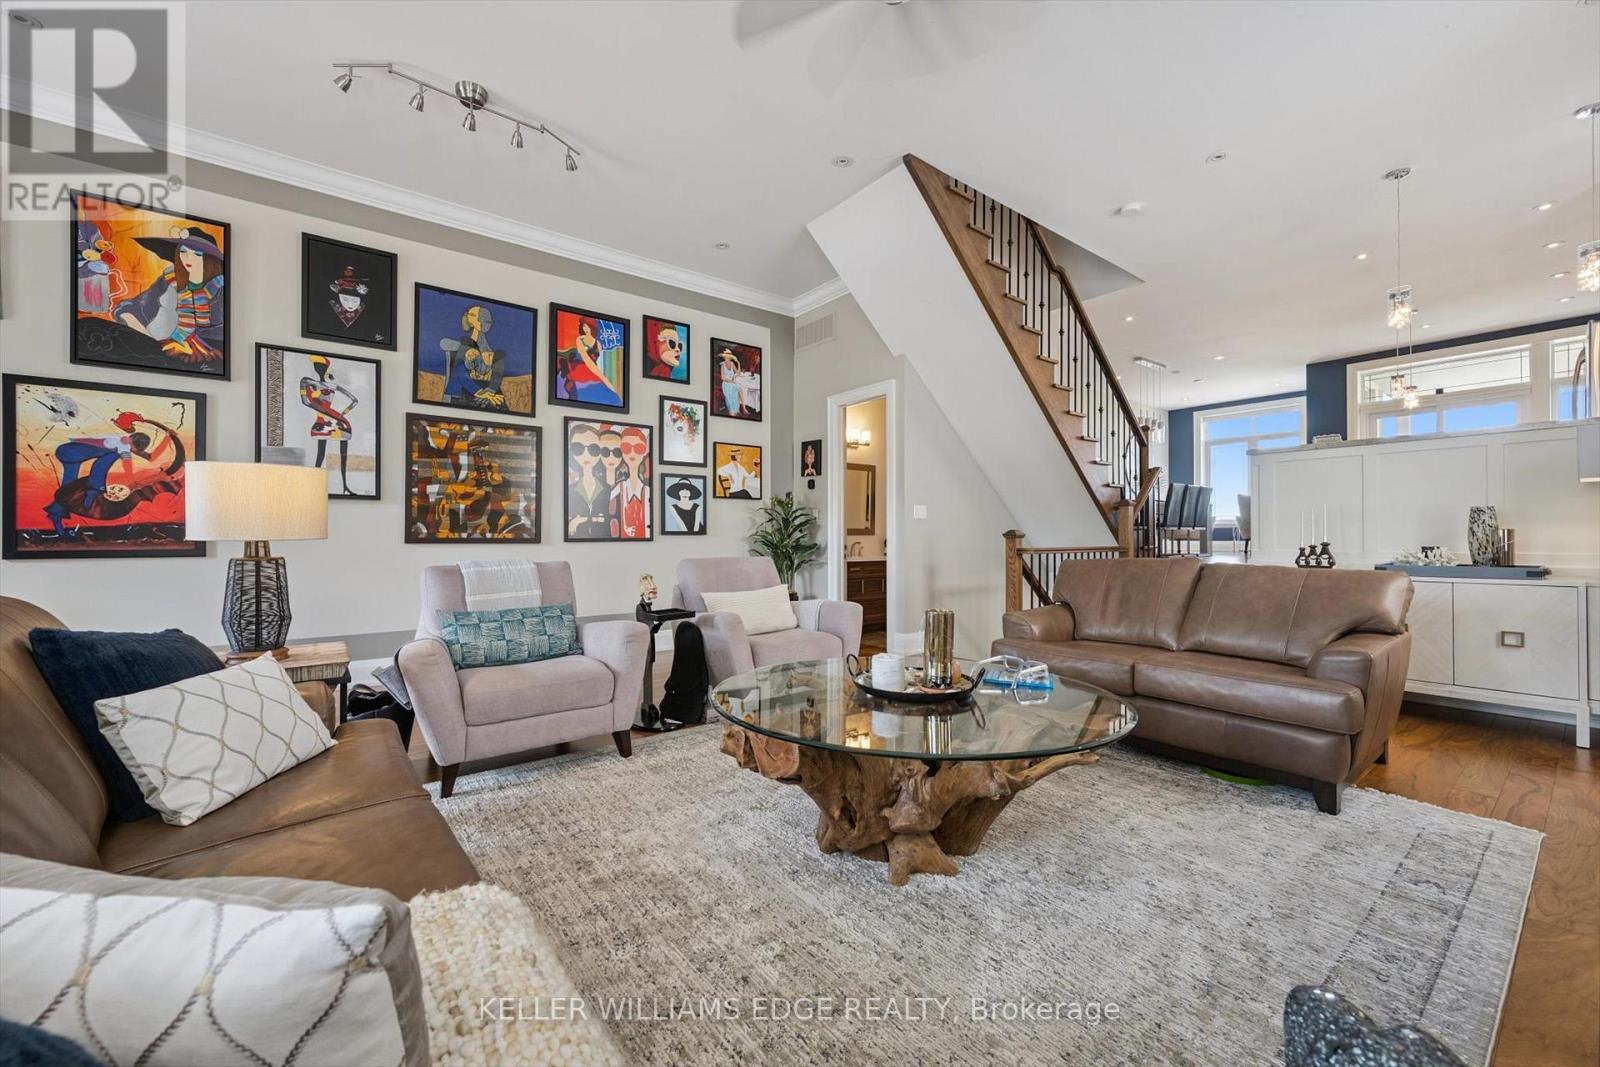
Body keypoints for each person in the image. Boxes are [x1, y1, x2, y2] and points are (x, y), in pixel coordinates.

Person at [44, 411, 173, 536]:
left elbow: (151, 457)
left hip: (67, 453)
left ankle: (55, 516)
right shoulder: (121, 444)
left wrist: (168, 438)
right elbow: (123, 465)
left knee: (67, 490)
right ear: (132, 442)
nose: (134, 452)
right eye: (134, 450)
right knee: (108, 458)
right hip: (69, 452)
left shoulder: (126, 443)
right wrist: (132, 482)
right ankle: (93, 490)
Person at [111, 226, 225, 365]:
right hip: (155, 344)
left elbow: (220, 334)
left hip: (196, 352)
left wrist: (187, 340)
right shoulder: (169, 279)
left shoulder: (220, 289)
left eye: (197, 254)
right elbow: (139, 304)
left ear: (209, 259)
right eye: (183, 252)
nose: (188, 258)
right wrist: (129, 317)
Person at [299, 355, 359, 495]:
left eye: (321, 366)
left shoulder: (332, 385)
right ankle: (314, 487)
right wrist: (331, 414)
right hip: (322, 422)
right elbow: (305, 401)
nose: (318, 368)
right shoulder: (306, 381)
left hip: (335, 422)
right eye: (316, 365)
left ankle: (345, 486)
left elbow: (354, 400)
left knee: (343, 454)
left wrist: (342, 414)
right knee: (320, 454)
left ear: (325, 368)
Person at [440, 304, 506, 410]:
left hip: (486, 389)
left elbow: (496, 373)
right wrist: (479, 392)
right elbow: (459, 372)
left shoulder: (494, 352)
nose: (467, 316)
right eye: (472, 314)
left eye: (473, 315)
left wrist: (490, 390)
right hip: (464, 391)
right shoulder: (466, 344)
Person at [559, 316, 621, 405]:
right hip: (580, 367)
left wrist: (603, 378)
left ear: (592, 327)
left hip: (593, 370)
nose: (586, 329)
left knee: (609, 394)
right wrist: (604, 379)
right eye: (584, 326)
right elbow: (586, 359)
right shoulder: (580, 340)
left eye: (588, 326)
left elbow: (594, 363)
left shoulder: (598, 344)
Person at [567, 424, 612, 538]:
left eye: (593, 449)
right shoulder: (570, 489)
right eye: (578, 448)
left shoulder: (606, 488)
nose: (586, 454)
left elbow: (607, 518)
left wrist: (579, 520)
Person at [611, 426, 650, 539]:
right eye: (627, 448)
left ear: (644, 452)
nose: (632, 453)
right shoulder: (620, 487)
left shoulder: (648, 490)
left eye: (638, 448)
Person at [717, 346, 742, 416]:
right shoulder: (723, 365)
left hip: (733, 383)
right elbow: (723, 377)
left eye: (729, 356)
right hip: (726, 384)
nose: (728, 357)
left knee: (738, 389)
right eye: (726, 356)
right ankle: (732, 412)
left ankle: (737, 411)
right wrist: (731, 381)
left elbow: (738, 373)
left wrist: (738, 363)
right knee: (731, 393)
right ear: (724, 357)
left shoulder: (732, 363)